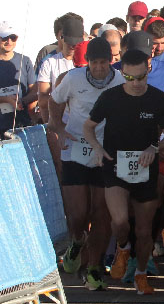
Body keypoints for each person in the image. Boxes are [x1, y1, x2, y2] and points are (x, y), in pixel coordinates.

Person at [84, 49, 164, 295]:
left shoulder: (158, 99)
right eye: (130, 78)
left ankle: (141, 275)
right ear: (122, 74)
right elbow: (88, 126)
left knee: (145, 230)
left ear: (148, 71)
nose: (136, 83)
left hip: (146, 169)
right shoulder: (110, 97)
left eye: (141, 78)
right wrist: (96, 147)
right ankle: (123, 248)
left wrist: (154, 147)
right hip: (115, 167)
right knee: (120, 221)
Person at [48, 37, 124, 290]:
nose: (99, 68)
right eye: (94, 63)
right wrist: (58, 126)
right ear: (87, 62)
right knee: (79, 213)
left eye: (104, 62)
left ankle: (94, 267)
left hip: (105, 151)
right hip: (76, 147)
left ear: (111, 61)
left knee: (101, 214)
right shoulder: (73, 78)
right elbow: (55, 100)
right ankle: (77, 242)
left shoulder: (121, 80)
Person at [0, 21, 36, 139]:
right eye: (5, 37)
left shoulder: (25, 61)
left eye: (13, 38)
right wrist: (5, 99)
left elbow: (34, 92)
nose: (9, 41)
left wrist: (21, 101)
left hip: (22, 126)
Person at [36, 14, 85, 123]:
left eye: (76, 43)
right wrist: (49, 126)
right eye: (69, 41)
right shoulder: (49, 63)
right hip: (61, 124)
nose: (73, 46)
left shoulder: (89, 62)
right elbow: (43, 99)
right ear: (61, 37)